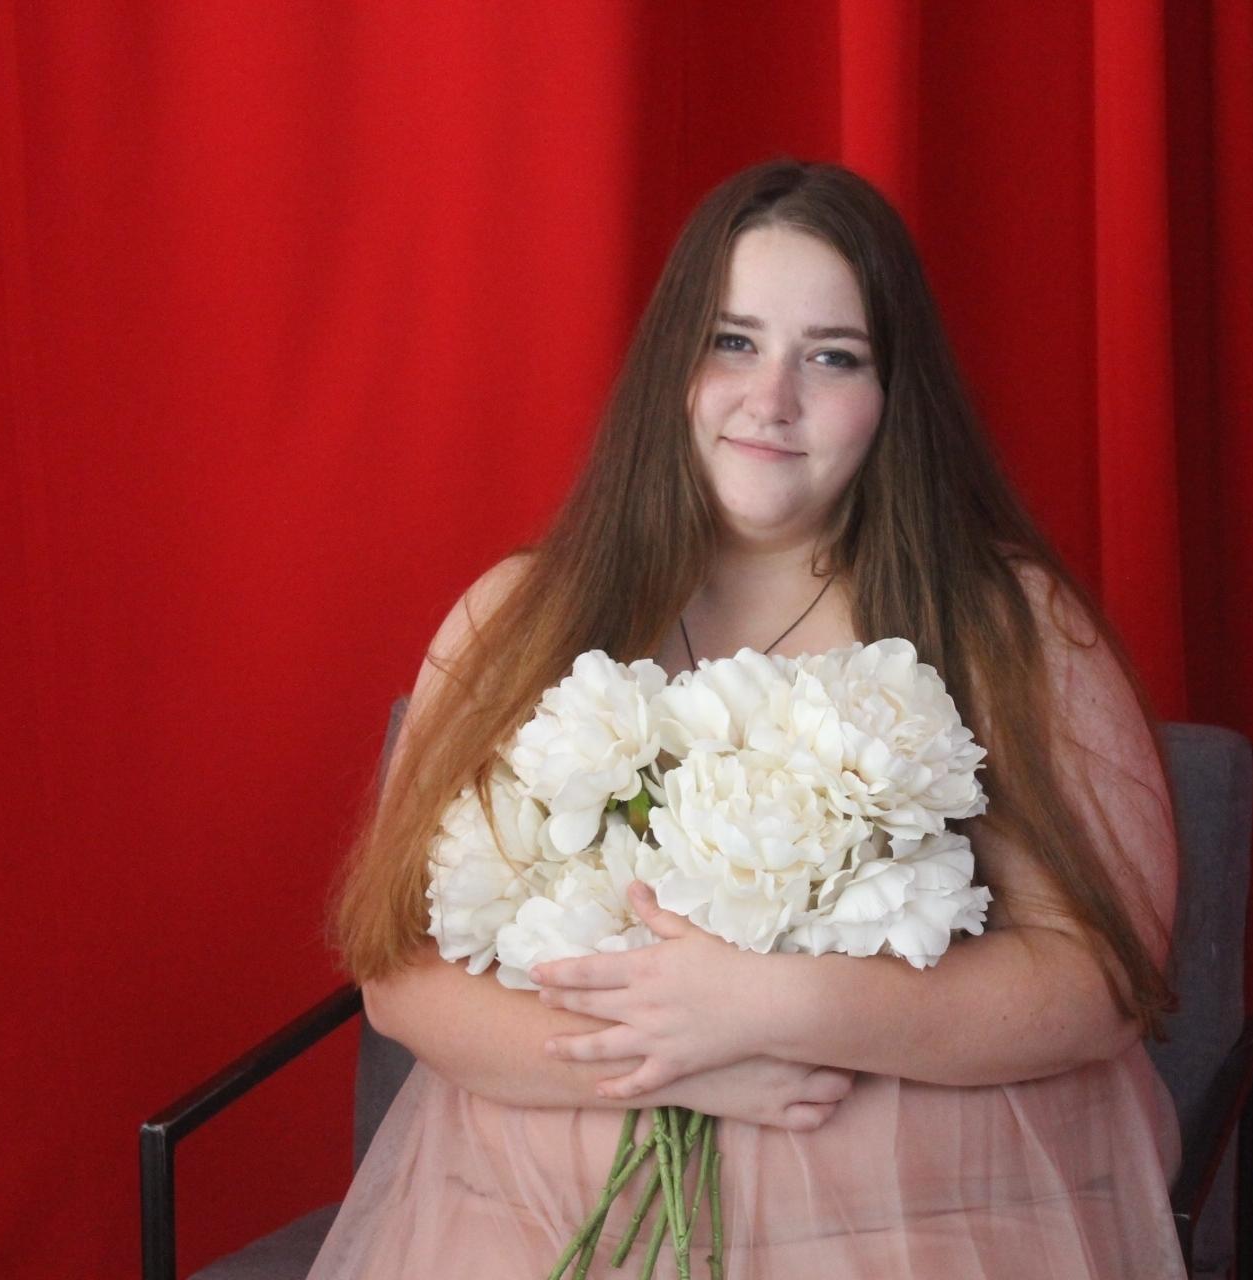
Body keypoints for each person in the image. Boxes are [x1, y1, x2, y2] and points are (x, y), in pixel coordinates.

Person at [307, 158, 1188, 1278]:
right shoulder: (513, 616)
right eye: (733, 341)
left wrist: (782, 1003)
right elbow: (398, 975)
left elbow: (1100, 981)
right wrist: (682, 1057)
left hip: (914, 1228)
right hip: (537, 1223)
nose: (771, 400)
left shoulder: (1005, 621)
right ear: (672, 362)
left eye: (833, 356)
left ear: (895, 393)